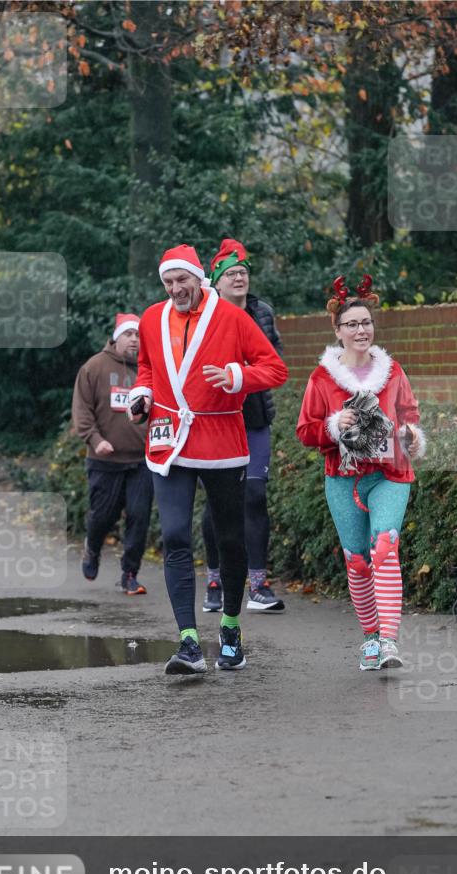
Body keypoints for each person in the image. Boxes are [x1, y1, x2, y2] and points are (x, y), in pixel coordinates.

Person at [127, 244, 288, 675]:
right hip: (169, 439)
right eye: (168, 282)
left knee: (230, 539)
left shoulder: (234, 318)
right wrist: (142, 395)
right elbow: (146, 367)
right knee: (176, 537)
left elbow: (274, 369)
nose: (176, 288)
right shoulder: (151, 318)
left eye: (183, 280)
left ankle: (231, 630)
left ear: (200, 278)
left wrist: (237, 376)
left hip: (221, 438)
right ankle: (189, 642)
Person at [296, 275, 426, 670]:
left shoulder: (393, 372)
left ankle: (389, 642)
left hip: (389, 474)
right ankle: (370, 637)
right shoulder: (321, 379)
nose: (360, 330)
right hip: (343, 477)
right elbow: (305, 431)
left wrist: (410, 436)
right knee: (357, 559)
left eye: (366, 322)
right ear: (337, 331)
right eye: (351, 324)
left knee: (385, 548)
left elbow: (410, 417)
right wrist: (335, 425)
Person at [201, 238, 285, 615]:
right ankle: (215, 579)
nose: (239, 278)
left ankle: (257, 583)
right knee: (218, 501)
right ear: (216, 281)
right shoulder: (205, 314)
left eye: (243, 272)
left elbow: (275, 361)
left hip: (253, 418)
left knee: (254, 497)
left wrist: (243, 374)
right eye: (231, 273)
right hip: (216, 419)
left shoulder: (261, 312)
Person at [72, 313, 153, 595]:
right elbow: (82, 411)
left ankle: (130, 574)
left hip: (143, 460)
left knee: (139, 517)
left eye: (138, 335)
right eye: (128, 334)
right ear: (116, 337)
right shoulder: (94, 367)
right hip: (105, 459)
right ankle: (92, 548)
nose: (134, 340)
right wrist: (95, 439)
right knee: (103, 516)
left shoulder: (150, 369)